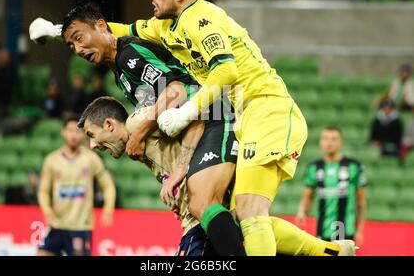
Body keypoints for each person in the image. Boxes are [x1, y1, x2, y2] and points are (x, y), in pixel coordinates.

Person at [109, 0, 310, 256]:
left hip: (266, 108)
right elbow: (119, 30)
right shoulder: (166, 26)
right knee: (241, 216)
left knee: (250, 210)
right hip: (245, 116)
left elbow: (226, 71)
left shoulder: (202, 18)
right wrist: (59, 29)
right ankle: (329, 250)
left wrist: (186, 113)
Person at [33, 3, 245, 256]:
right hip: (202, 122)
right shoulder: (119, 71)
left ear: (101, 26)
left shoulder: (127, 54)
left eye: (79, 39)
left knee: (203, 204)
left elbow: (175, 91)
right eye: (71, 46)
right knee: (237, 217)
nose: (78, 50)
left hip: (214, 116)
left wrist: (140, 134)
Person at [79, 97, 357, 256]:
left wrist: (183, 169)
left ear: (109, 124)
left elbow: (190, 105)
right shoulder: (136, 147)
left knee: (249, 224)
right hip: (206, 208)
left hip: (204, 212)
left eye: (92, 136)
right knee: (252, 224)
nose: (92, 145)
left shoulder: (138, 122)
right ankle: (328, 251)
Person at [37, 115, 116, 256]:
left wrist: (108, 210)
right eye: (70, 130)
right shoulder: (51, 160)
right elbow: (43, 191)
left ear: (83, 134)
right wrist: (47, 210)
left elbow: (108, 186)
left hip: (80, 226)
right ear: (63, 132)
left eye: (77, 131)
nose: (73, 135)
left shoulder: (92, 159)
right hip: (56, 224)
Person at [296, 126, 368, 247]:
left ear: (341, 142)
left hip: (346, 230)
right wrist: (301, 212)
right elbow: (307, 196)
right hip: (321, 230)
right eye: (325, 139)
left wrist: (360, 230)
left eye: (334, 139)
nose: (329, 143)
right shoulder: (313, 167)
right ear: (320, 142)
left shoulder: (353, 166)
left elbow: (361, 201)